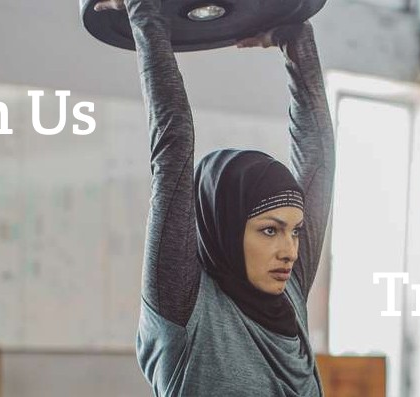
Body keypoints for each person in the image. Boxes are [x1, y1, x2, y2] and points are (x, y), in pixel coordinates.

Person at [93, 0, 335, 395]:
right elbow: (173, 148)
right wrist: (145, 14)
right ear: (224, 228)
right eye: (270, 231)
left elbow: (319, 157)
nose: (291, 251)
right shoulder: (183, 311)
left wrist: (294, 38)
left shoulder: (287, 293)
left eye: (295, 231)